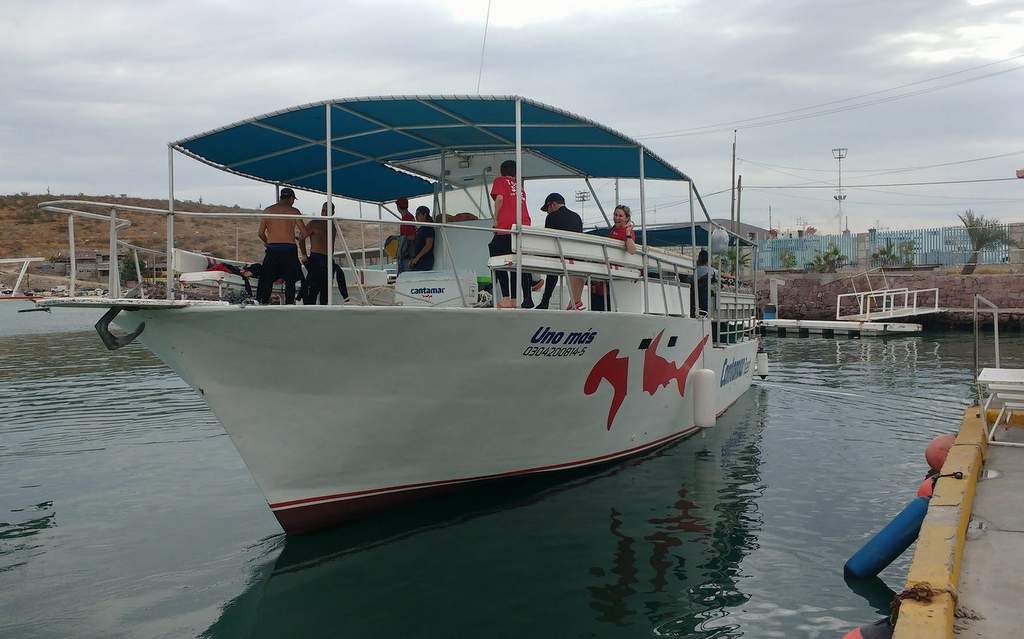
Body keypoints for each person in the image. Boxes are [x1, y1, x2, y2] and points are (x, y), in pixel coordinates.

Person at [487, 160, 534, 308]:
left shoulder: (500, 181)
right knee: (514, 263)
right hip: (522, 227)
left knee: (497, 258)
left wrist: (495, 221)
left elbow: (500, 198)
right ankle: (514, 299)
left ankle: (506, 298)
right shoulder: (520, 187)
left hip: (506, 227)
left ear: (502, 172)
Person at [256, 188, 308, 304]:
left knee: (267, 279)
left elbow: (260, 233)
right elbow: (304, 233)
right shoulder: (294, 212)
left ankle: (263, 303)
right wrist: (298, 238)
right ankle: (289, 305)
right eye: (293, 199)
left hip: (272, 249)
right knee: (290, 281)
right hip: (289, 249)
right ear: (290, 198)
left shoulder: (268, 211)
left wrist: (267, 242)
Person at [536, 193, 585, 310]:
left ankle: (545, 301)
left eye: (547, 209)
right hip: (576, 259)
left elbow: (548, 241)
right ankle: (575, 301)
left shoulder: (551, 217)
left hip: (559, 258)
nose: (547, 212)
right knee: (559, 262)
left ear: (552, 204)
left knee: (553, 265)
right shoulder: (577, 217)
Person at [300, 202, 349, 305]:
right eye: (323, 211)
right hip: (316, 259)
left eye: (327, 211)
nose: (324, 213)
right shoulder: (314, 223)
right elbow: (301, 238)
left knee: (325, 293)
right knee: (312, 291)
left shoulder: (333, 224)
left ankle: (325, 313)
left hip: (328, 261)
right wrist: (304, 254)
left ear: (333, 212)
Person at [591, 205, 637, 311]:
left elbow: (632, 250)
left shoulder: (627, 231)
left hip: (616, 273)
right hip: (606, 270)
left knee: (604, 298)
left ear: (627, 218)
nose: (617, 218)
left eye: (620, 216)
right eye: (615, 215)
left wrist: (628, 234)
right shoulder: (613, 230)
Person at [410, 206, 435, 271]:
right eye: (416, 214)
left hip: (425, 261)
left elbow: (428, 245)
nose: (416, 216)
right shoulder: (422, 228)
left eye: (418, 214)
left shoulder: (428, 227)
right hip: (419, 261)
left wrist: (417, 257)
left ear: (425, 214)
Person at [396, 197, 416, 273]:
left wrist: (401, 240)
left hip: (407, 253)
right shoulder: (407, 217)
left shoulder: (408, 218)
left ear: (398, 207)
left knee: (406, 275)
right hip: (405, 252)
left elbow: (412, 237)